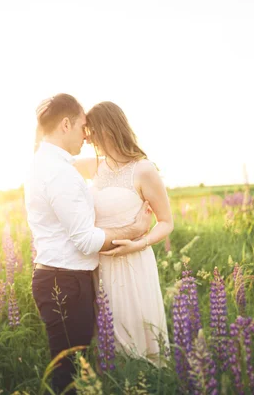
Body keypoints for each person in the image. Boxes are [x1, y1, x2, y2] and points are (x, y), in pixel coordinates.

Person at [24, 93, 152, 394]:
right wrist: (134, 229)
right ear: (65, 124)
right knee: (68, 376)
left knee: (75, 367)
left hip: (62, 277)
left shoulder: (46, 162)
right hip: (65, 282)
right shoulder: (58, 173)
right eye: (83, 125)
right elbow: (85, 239)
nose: (87, 133)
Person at [74, 101, 172, 366]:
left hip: (133, 263)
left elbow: (166, 222)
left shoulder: (143, 169)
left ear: (109, 128)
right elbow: (55, 166)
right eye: (85, 130)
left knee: (136, 329)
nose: (87, 137)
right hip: (100, 264)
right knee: (107, 333)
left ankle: (146, 381)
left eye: (91, 130)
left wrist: (139, 242)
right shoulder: (92, 165)